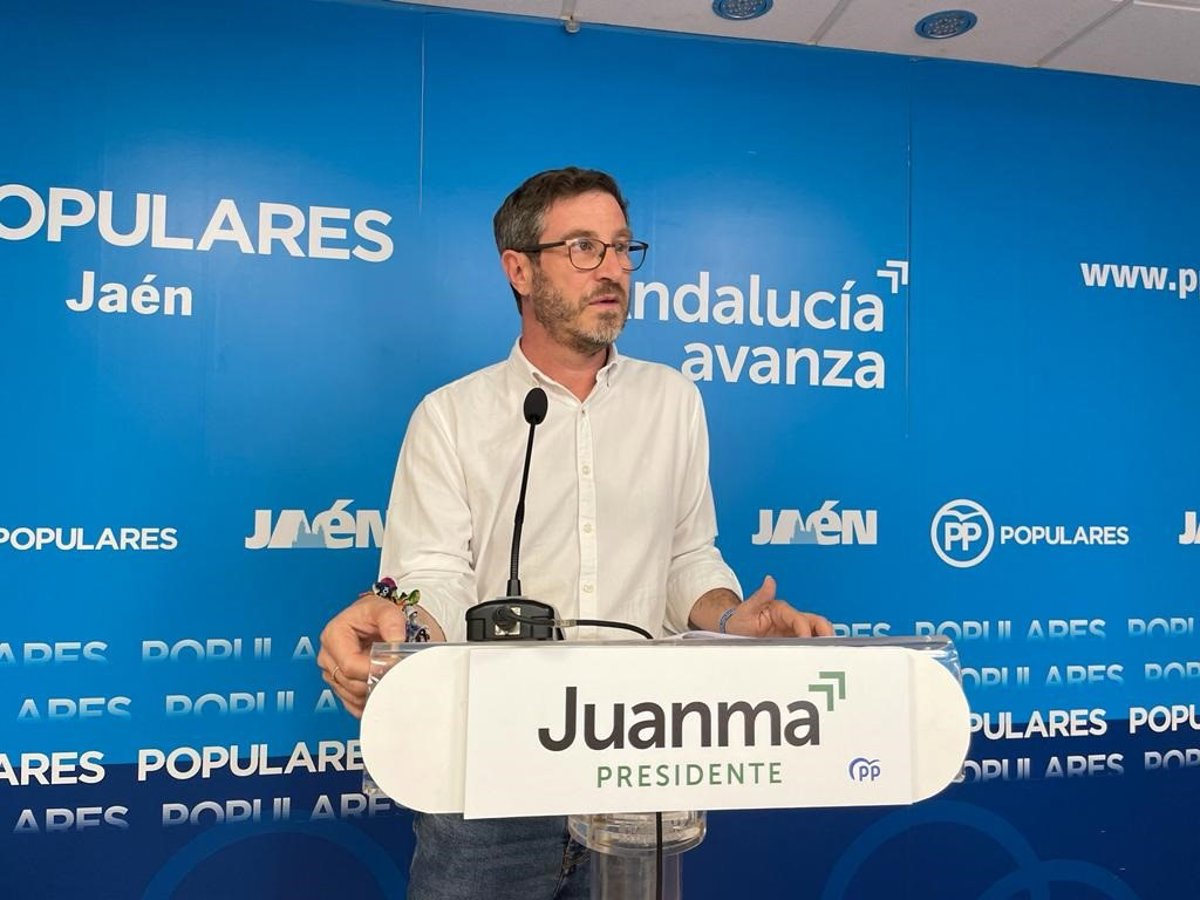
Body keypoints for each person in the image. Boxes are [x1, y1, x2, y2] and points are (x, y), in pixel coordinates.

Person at [317, 166, 833, 899]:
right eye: (585, 247)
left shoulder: (673, 400)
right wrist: (404, 625)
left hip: (639, 761)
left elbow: (687, 556)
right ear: (520, 269)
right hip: (490, 779)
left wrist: (728, 618)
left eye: (623, 247)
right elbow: (433, 574)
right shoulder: (451, 416)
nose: (613, 269)